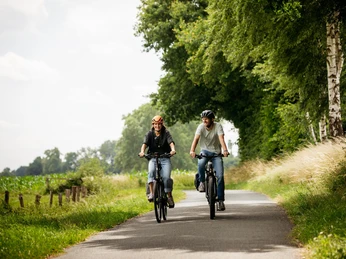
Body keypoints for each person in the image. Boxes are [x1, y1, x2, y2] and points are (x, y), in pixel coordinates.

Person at [189, 110, 229, 211]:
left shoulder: (218, 126)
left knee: (220, 176)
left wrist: (225, 150)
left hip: (216, 153)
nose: (204, 121)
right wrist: (192, 150)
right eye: (203, 119)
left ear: (212, 119)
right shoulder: (201, 127)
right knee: (201, 163)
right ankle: (202, 182)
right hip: (205, 151)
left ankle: (220, 201)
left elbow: (221, 139)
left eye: (206, 119)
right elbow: (196, 139)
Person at [139, 115, 176, 208]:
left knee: (166, 177)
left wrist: (173, 150)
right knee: (151, 172)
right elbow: (144, 144)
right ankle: (151, 193)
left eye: (159, 124)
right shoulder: (149, 134)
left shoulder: (166, 133)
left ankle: (169, 196)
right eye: (155, 124)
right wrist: (142, 152)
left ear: (162, 124)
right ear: (153, 125)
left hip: (165, 157)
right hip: (153, 157)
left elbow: (171, 142)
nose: (157, 126)